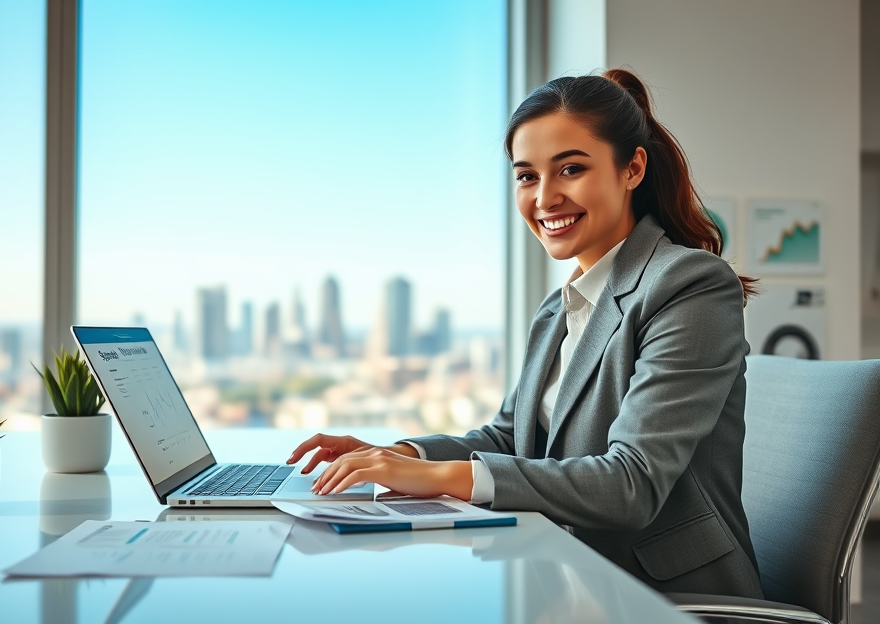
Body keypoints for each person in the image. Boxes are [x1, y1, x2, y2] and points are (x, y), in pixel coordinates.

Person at [287, 68, 763, 598]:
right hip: (560, 571)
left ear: (632, 169)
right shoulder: (558, 309)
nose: (545, 197)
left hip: (662, 595)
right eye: (527, 176)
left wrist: (442, 479)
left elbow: (632, 484)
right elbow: (510, 438)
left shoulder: (689, 285)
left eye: (571, 169)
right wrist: (400, 455)